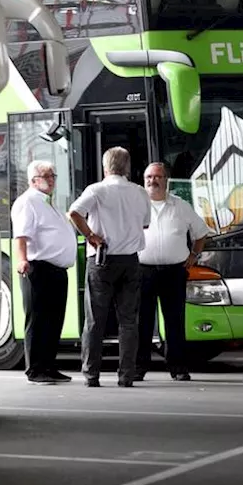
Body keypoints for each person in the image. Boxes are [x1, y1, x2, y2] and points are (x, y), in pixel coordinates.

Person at [67, 147, 151, 387]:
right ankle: (126, 375)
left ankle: (91, 374)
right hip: (131, 261)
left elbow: (74, 212)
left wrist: (91, 235)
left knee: (95, 319)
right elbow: (145, 224)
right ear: (127, 167)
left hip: (102, 260)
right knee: (128, 321)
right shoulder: (139, 192)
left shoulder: (97, 190)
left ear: (106, 167)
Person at [137, 161, 212, 381]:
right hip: (143, 271)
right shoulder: (137, 206)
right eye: (149, 177)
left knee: (175, 321)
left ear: (166, 180)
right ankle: (139, 367)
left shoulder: (181, 206)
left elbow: (201, 233)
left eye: (158, 177)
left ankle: (178, 367)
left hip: (174, 272)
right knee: (142, 322)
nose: (153, 181)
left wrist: (194, 256)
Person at [10, 159, 77, 384]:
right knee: (38, 319)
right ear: (33, 180)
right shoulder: (28, 202)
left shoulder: (47, 202)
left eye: (52, 176)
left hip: (56, 270)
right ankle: (36, 368)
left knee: (54, 320)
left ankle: (48, 365)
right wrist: (22, 260)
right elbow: (21, 236)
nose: (51, 180)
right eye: (46, 176)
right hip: (39, 268)